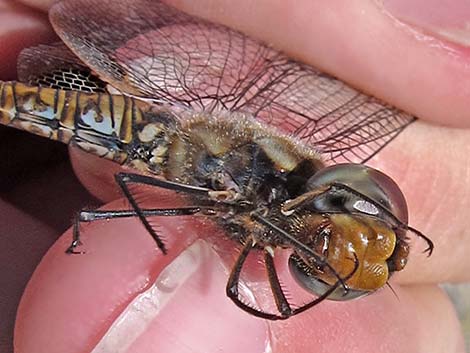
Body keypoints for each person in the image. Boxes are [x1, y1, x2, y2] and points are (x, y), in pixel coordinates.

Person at [1, 0, 468, 352]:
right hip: (144, 131)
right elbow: (130, 188)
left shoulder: (271, 212)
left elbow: (272, 302)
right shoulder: (272, 194)